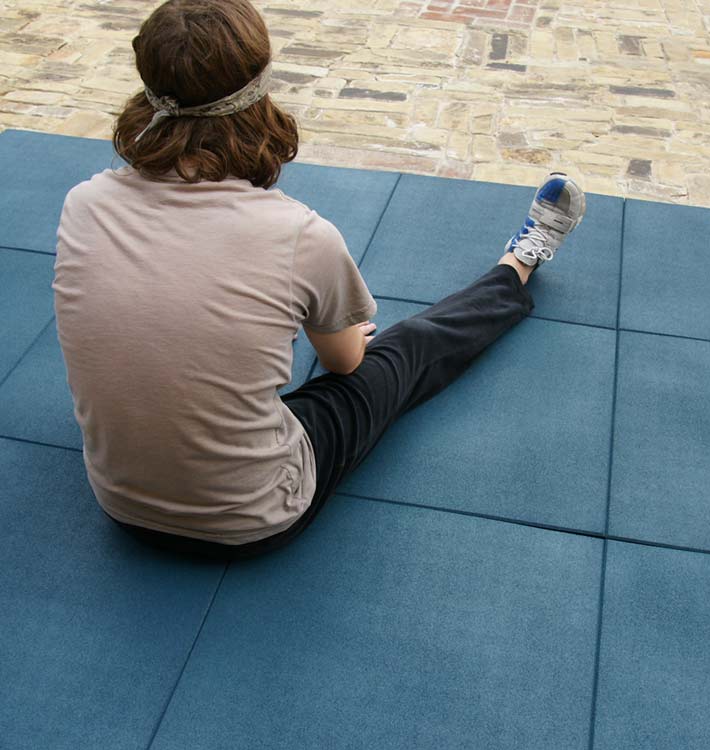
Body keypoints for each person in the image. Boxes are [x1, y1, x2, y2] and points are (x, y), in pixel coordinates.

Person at [53, 0, 586, 562]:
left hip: (119, 504)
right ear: (259, 92)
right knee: (403, 352)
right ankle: (519, 266)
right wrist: (348, 339)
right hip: (254, 517)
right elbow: (344, 364)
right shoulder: (298, 234)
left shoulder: (82, 204)